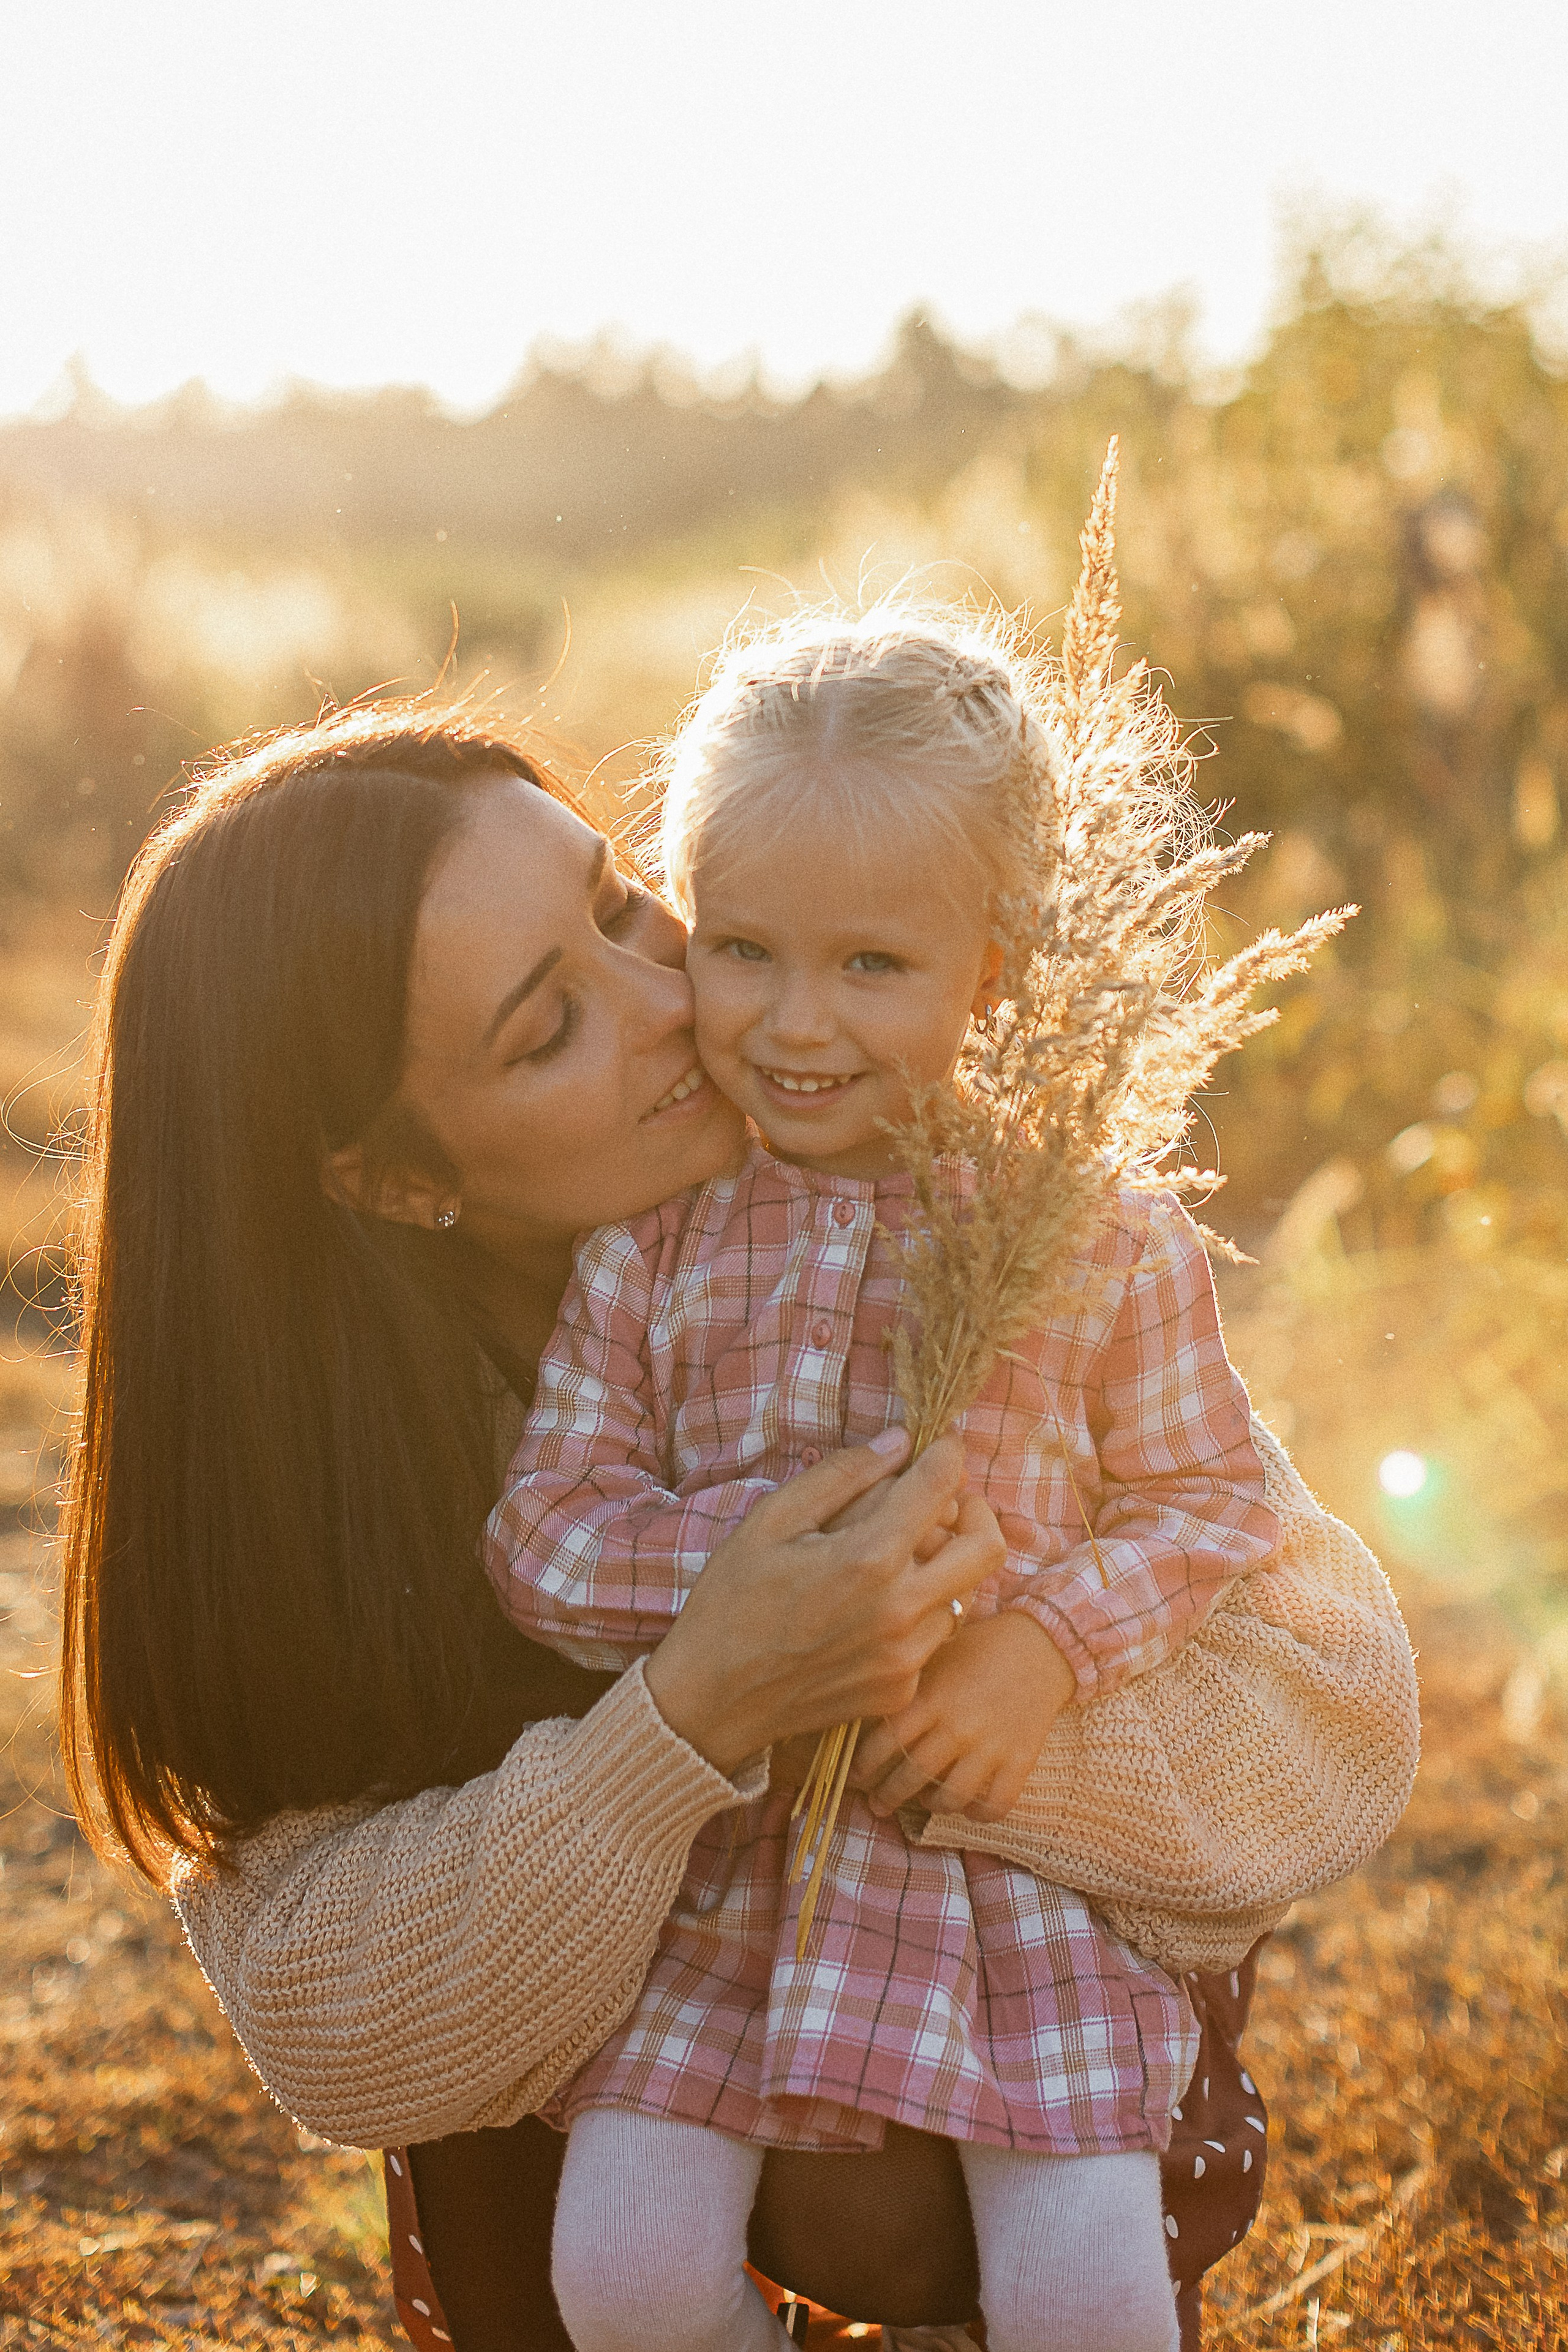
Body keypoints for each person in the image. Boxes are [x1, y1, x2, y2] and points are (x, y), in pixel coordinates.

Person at [57, 701, 1420, 2352]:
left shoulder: (973, 1239)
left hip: (986, 2017)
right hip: (649, 2117)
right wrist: (696, 1707)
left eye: (627, 901)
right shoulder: (345, 1465)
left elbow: (1337, 1696)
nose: (675, 1002)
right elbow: (333, 2021)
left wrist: (979, 1693)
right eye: (551, 1023)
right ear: (391, 1177)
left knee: (904, 2194)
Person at [485, 610, 1278, 2352]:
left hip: (999, 1867)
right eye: (744, 947)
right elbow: (544, 1530)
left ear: (994, 968)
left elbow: (1218, 1503)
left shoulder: (1093, 1236)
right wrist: (742, 1581)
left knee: (1083, 2293)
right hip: (728, 1866)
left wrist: (1041, 1648)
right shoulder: (655, 1241)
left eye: (872, 968)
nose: (790, 1022)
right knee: (618, 2276)